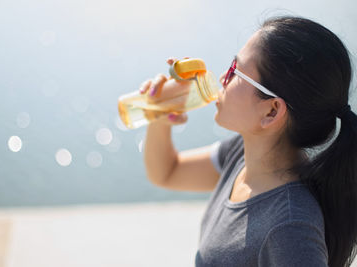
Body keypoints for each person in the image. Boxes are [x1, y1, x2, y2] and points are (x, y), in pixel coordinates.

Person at [140, 16, 357, 266]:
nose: (222, 77)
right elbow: (167, 172)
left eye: (235, 70)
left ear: (271, 111)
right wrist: (160, 115)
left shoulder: (290, 228)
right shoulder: (241, 156)